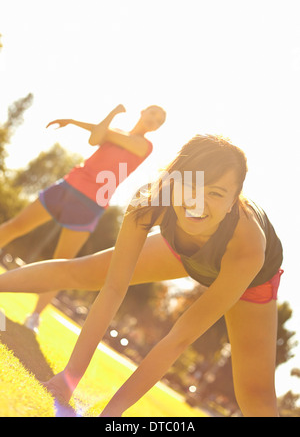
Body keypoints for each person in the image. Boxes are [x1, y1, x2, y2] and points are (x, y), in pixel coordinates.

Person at [0, 134, 283, 417]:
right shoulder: (151, 201)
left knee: (255, 396)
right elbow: (113, 289)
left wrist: (113, 413)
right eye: (190, 186)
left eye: (216, 193)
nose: (198, 202)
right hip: (184, 249)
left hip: (252, 281)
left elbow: (179, 338)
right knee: (83, 272)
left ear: (234, 201)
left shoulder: (247, 247)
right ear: (173, 180)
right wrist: (68, 378)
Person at [0, 103, 166, 331]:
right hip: (68, 185)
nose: (153, 119)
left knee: (62, 263)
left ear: (156, 128)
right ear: (143, 112)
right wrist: (94, 117)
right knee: (15, 225)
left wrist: (81, 121)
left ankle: (35, 316)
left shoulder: (144, 145)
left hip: (91, 202)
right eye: (152, 113)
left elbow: (102, 134)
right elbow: (95, 138)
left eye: (158, 120)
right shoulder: (116, 132)